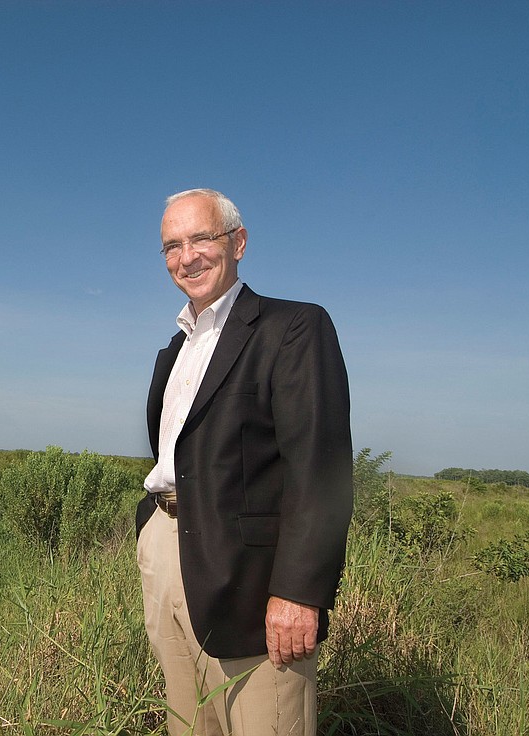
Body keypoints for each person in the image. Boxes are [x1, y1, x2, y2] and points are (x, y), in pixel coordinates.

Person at [137, 188, 353, 736]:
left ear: (238, 242)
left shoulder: (293, 329)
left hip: (251, 576)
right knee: (187, 722)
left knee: (268, 721)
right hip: (167, 549)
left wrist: (299, 591)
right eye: (172, 245)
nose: (187, 257)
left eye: (201, 239)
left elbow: (319, 469)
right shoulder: (176, 348)